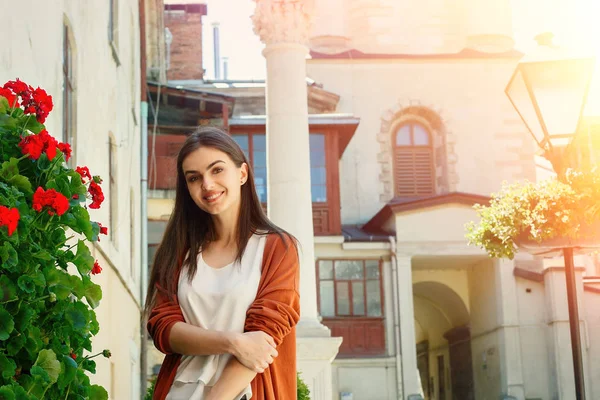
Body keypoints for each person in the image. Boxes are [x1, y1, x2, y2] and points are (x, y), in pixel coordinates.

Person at [145, 127, 300, 400]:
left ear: (242, 174)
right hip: (178, 391)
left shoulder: (277, 248)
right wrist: (233, 342)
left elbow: (265, 339)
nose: (206, 184)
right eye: (194, 178)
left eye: (217, 170)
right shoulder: (178, 252)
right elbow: (163, 327)